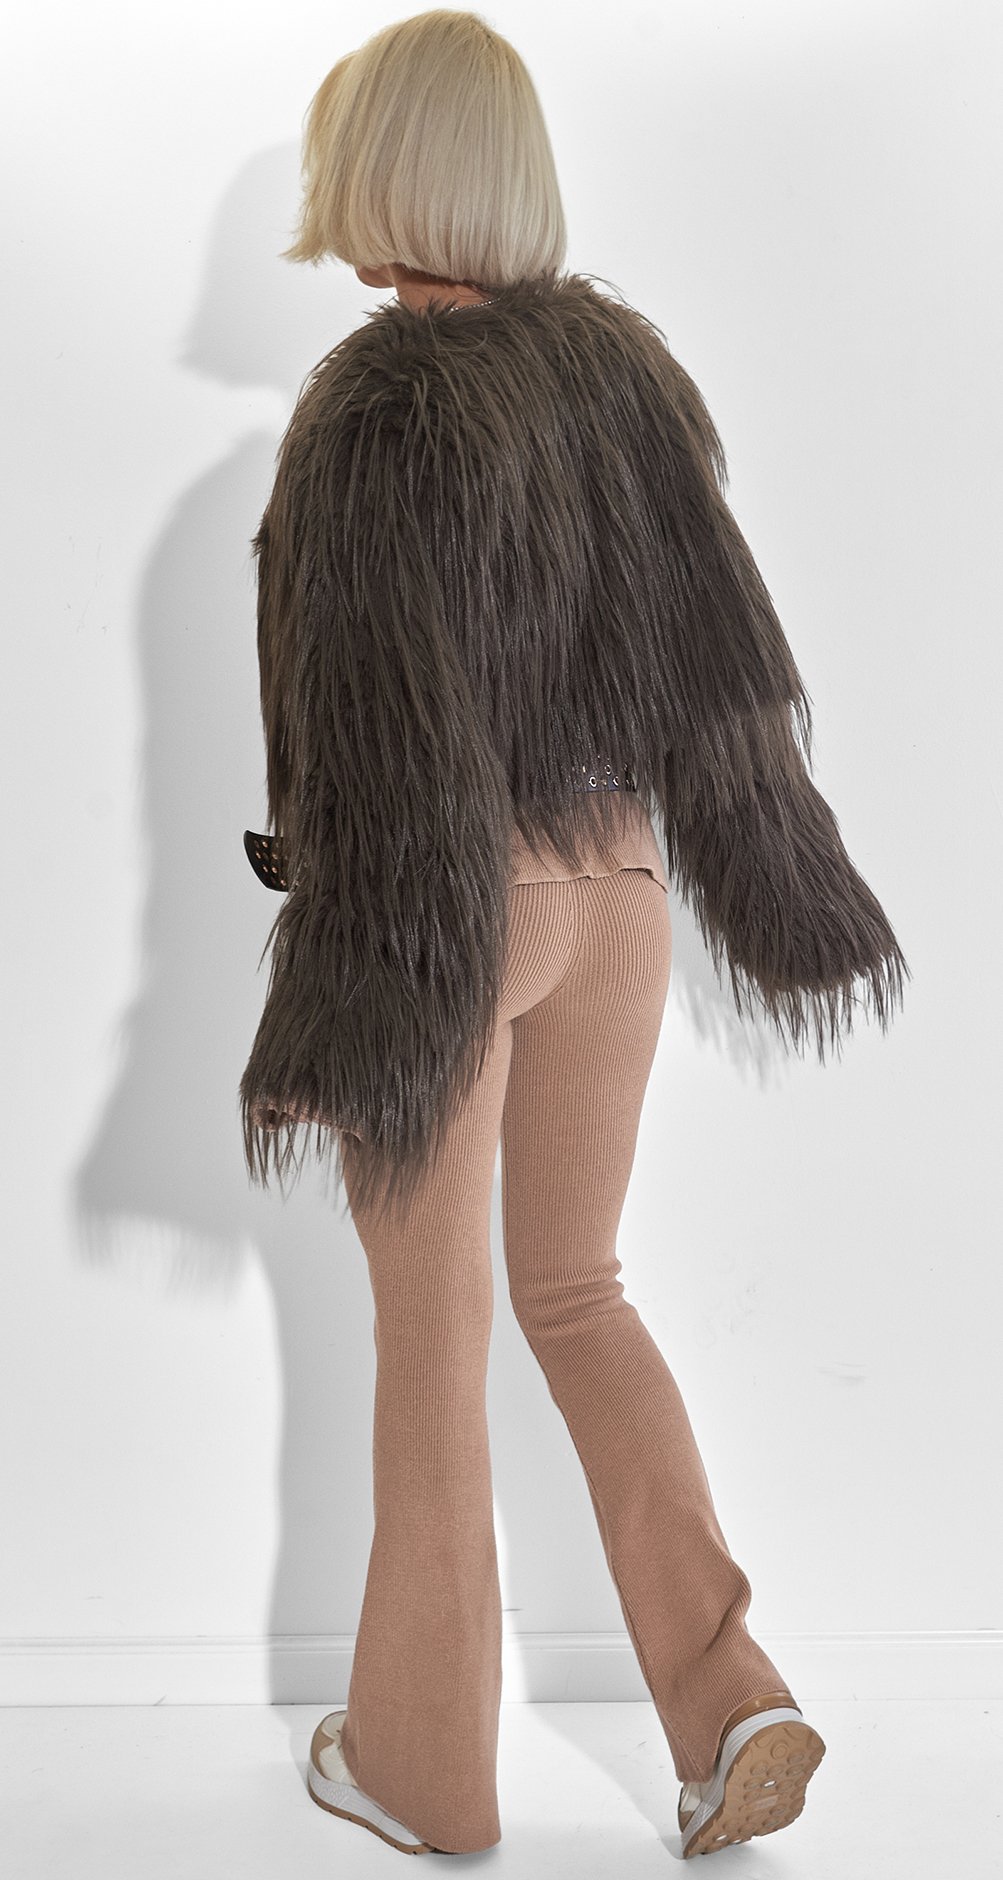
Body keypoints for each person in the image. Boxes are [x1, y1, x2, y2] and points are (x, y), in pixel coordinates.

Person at [238, 9, 908, 1861]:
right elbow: (726, 662)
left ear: (383, 171)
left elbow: (361, 735)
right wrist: (773, 874)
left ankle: (421, 1771)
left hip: (455, 910)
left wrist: (339, 970)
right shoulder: (625, 381)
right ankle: (733, 1699)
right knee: (578, 1295)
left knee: (436, 1337)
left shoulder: (373, 407)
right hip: (625, 900)